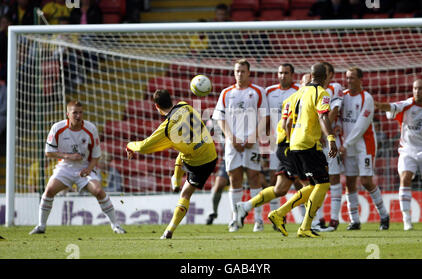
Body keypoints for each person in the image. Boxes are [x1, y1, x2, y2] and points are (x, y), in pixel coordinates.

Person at [126, 89, 217, 239]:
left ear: (156, 106)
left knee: (185, 194)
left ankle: (169, 230)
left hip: (199, 163)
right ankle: (175, 181)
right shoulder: (185, 106)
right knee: (181, 150)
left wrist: (130, 145)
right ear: (172, 100)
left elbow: (143, 146)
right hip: (210, 152)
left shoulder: (167, 128)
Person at [29, 101, 126, 235]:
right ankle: (41, 226)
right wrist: (68, 156)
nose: (78, 115)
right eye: (75, 113)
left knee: (98, 191)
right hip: (65, 167)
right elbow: (48, 152)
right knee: (49, 190)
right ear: (67, 114)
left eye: (81, 112)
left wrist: (89, 169)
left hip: (85, 167)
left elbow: (96, 155)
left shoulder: (90, 128)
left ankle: (115, 225)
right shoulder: (58, 128)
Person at [235, 73, 311, 235]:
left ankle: (246, 206)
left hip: (290, 146)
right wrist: (293, 146)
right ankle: (310, 222)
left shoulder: (304, 99)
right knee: (309, 185)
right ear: (300, 84)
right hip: (291, 147)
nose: (311, 85)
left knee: (281, 188)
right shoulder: (297, 99)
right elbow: (287, 123)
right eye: (307, 83)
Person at [270, 63, 338, 238]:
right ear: (326, 77)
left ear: (311, 74)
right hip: (308, 143)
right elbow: (323, 116)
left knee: (313, 185)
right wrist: (331, 139)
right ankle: (305, 227)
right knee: (323, 184)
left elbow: (287, 123)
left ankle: (279, 213)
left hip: (294, 143)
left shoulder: (298, 93)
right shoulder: (322, 93)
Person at [375, 79, 422, 230]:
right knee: (405, 177)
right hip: (408, 150)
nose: (417, 91)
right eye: (415, 88)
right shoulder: (406, 105)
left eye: (420, 88)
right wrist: (377, 104)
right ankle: (406, 220)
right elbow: (390, 106)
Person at [212, 58, 269, 232]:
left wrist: (254, 136)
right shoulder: (226, 93)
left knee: (254, 177)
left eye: (242, 71)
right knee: (234, 178)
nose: (239, 74)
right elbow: (219, 117)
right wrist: (231, 137)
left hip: (252, 142)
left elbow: (265, 117)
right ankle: (235, 220)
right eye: (237, 71)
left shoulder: (258, 92)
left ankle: (258, 219)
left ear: (248, 72)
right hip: (232, 143)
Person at [340, 67, 390, 231]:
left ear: (361, 80)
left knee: (366, 181)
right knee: (349, 181)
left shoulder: (367, 98)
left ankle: (384, 215)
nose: (349, 81)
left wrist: (345, 145)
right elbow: (340, 120)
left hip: (364, 145)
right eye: (347, 78)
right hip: (347, 145)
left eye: (352, 78)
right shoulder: (343, 96)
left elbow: (361, 125)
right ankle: (354, 220)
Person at [264, 64, 301, 213]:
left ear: (292, 75)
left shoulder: (299, 90)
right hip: (277, 143)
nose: (282, 76)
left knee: (300, 181)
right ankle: (274, 214)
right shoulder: (269, 92)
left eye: (286, 73)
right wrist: (266, 135)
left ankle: (310, 218)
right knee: (274, 180)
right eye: (280, 73)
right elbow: (265, 116)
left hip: (296, 142)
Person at [313, 62, 345, 232]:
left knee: (333, 177)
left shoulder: (335, 87)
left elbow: (333, 111)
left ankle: (334, 219)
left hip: (328, 139)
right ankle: (318, 220)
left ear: (331, 75)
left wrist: (324, 134)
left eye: (324, 72)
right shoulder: (314, 90)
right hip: (314, 140)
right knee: (315, 179)